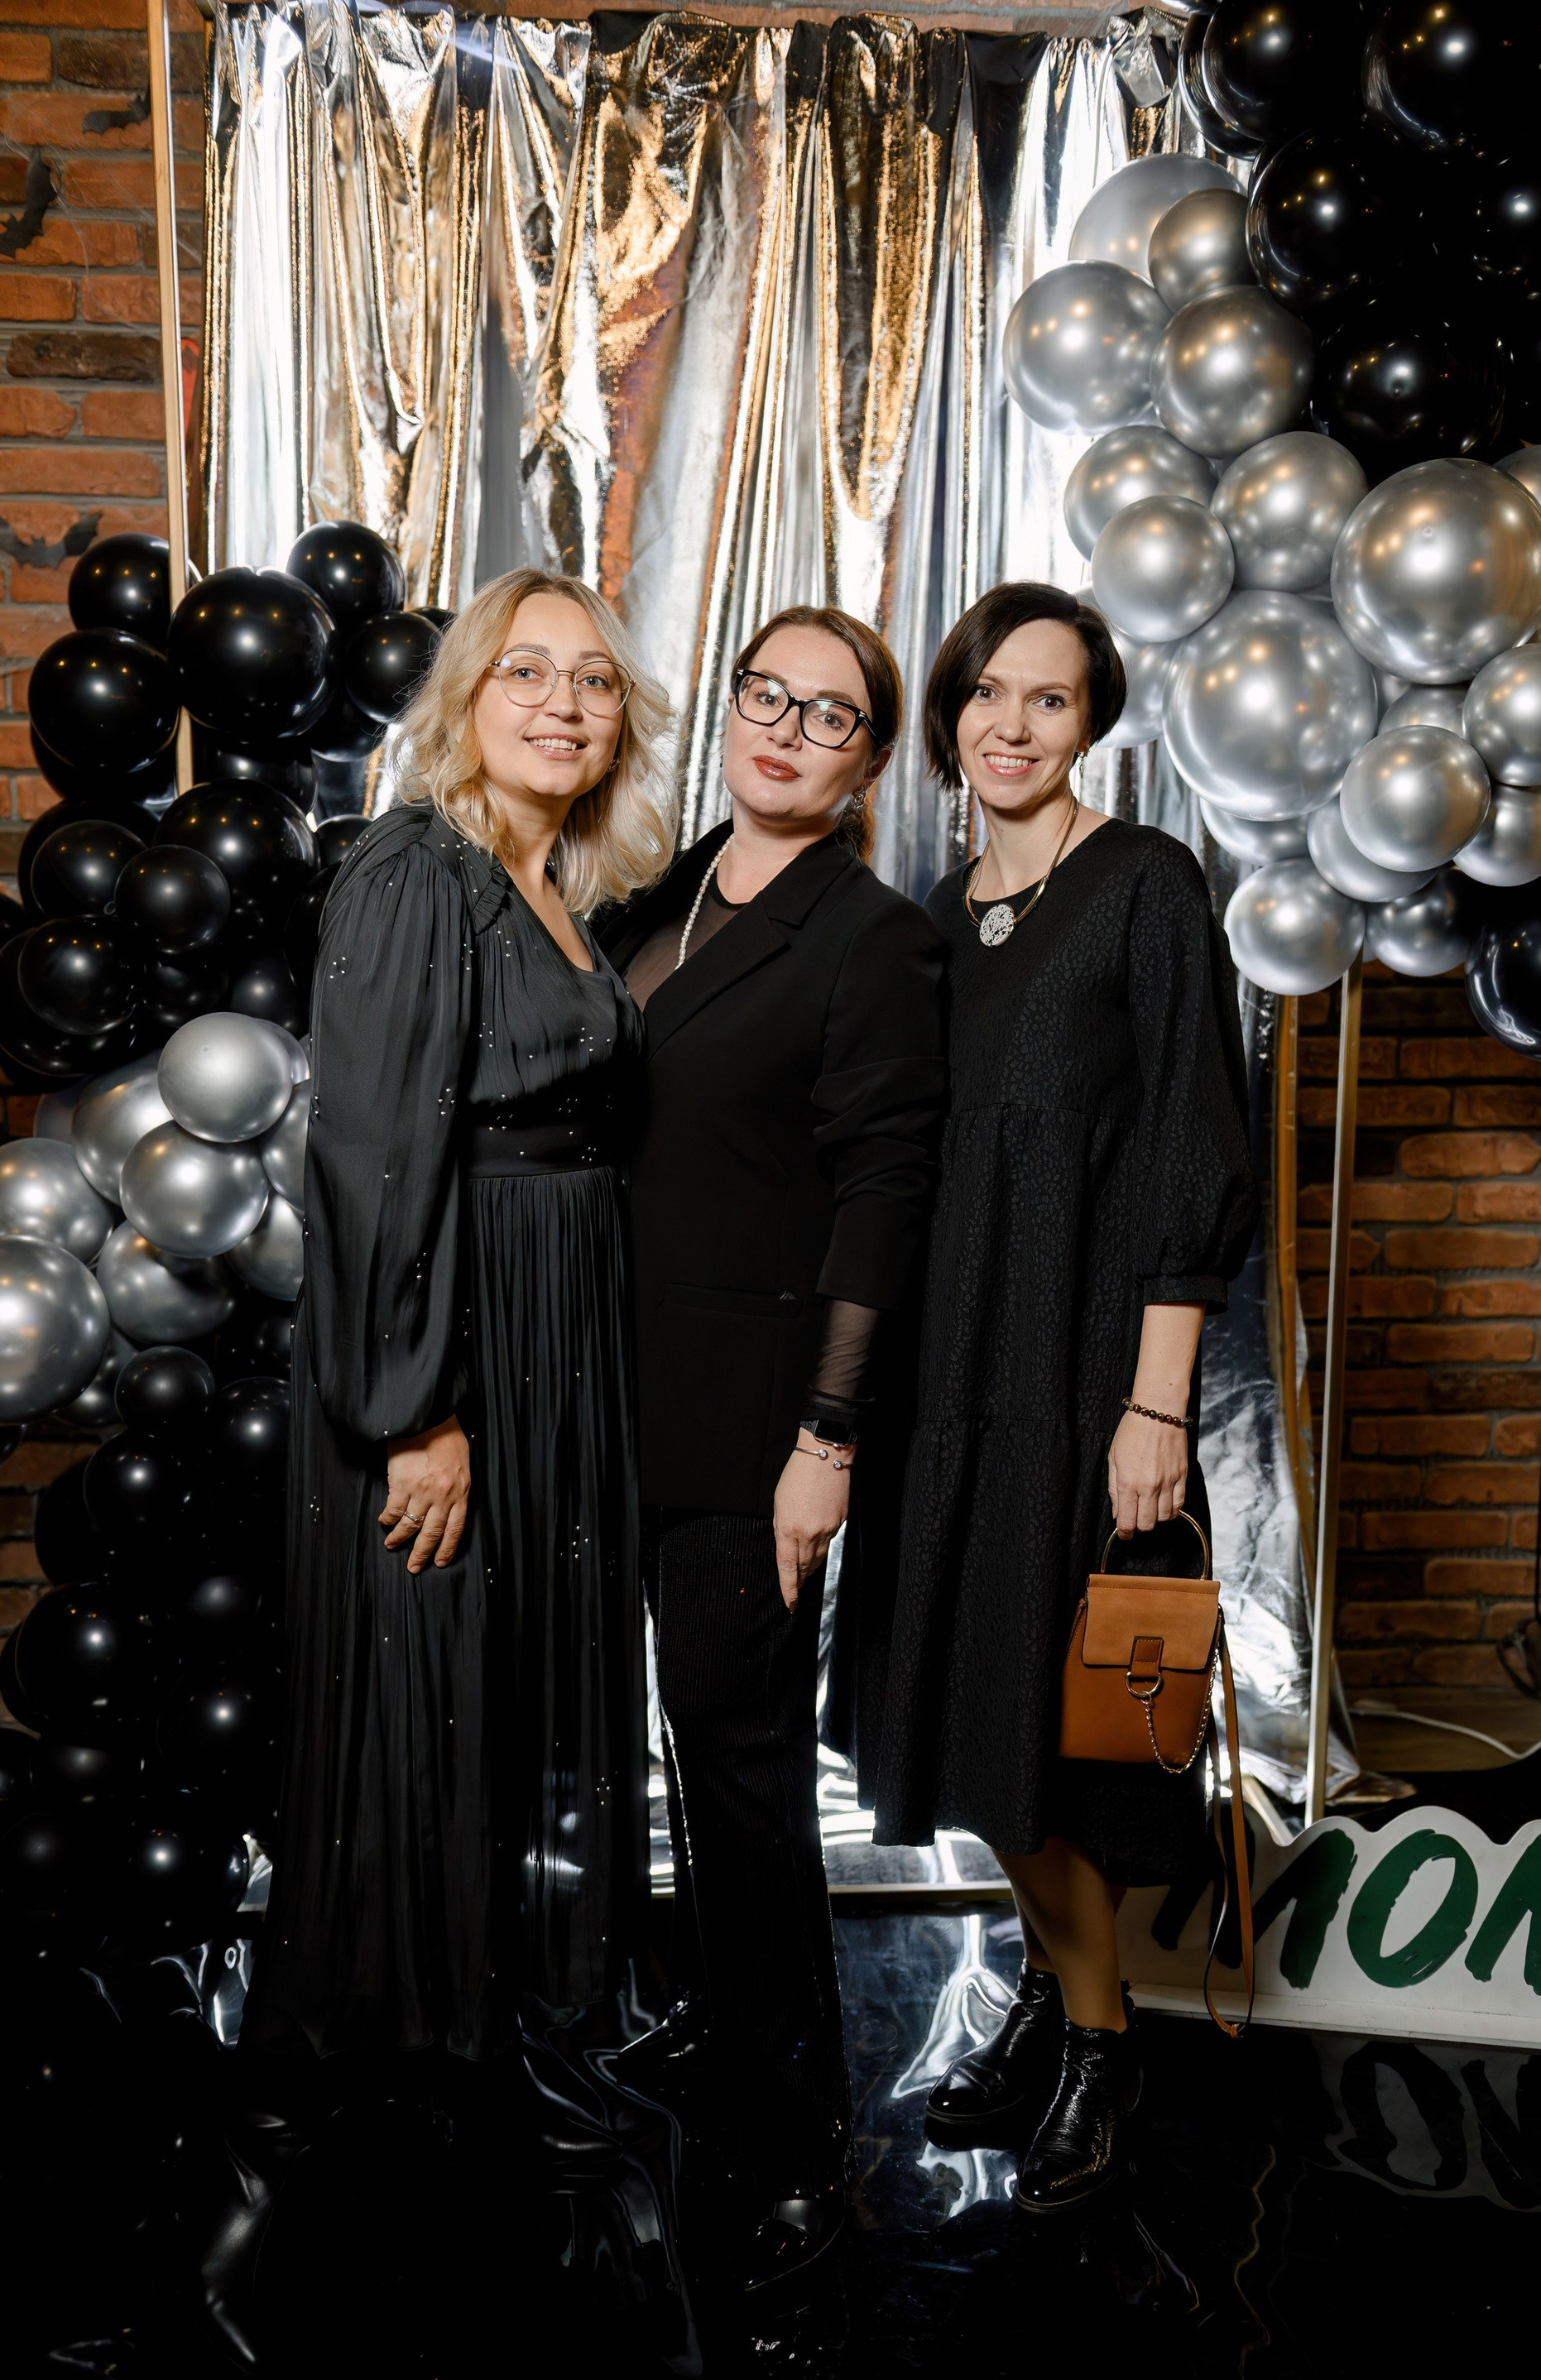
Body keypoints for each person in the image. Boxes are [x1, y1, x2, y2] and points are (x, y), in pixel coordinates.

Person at [214, 573, 679, 2357]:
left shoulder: (558, 888)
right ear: (467, 698)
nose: (561, 703)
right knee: (408, 1735)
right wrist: (417, 1411)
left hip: (553, 1358)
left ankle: (513, 2102)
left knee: (510, 1719)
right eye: (525, 673)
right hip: (452, 1371)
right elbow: (373, 1160)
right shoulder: (418, 871)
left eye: (592, 681)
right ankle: (280, 2177)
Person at [871, 582, 1256, 2214]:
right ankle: (1051, 1992)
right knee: (982, 1720)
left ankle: (1101, 2044)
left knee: (1050, 1726)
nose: (1012, 725)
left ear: (1091, 723)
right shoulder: (938, 912)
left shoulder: (1145, 885)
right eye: (988, 693)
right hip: (946, 1377)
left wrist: (1155, 1408)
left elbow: (1191, 1142)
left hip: (1083, 1373)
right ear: (953, 712)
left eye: (1049, 698)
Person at [599, 605, 945, 2291]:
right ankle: (707, 2019)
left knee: (742, 1772)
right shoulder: (656, 896)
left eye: (830, 715)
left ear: (867, 760)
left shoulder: (872, 940)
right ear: (730, 707)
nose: (787, 730)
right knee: (669, 1747)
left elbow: (886, 1196)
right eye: (767, 696)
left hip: (752, 1426)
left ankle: (798, 2128)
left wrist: (830, 1436)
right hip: (608, 1396)